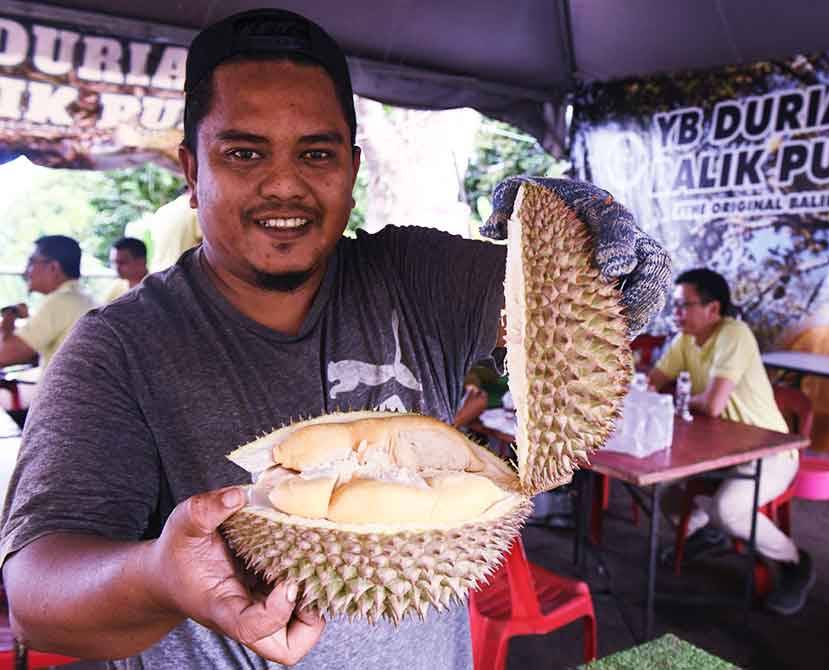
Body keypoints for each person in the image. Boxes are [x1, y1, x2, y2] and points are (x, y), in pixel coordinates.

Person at [0, 9, 671, 670]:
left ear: (351, 171)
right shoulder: (118, 348)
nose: (284, 184)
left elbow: (573, 317)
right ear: (190, 170)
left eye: (316, 153)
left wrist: (579, 243)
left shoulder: (415, 276)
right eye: (243, 152)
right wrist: (156, 575)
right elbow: (36, 593)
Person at [648, 268, 814, 615]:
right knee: (656, 480)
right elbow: (652, 383)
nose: (676, 314)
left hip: (770, 450)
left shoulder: (733, 334)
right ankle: (702, 532)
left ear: (713, 309)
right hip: (718, 449)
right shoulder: (684, 340)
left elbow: (712, 404)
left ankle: (794, 561)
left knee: (729, 509)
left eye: (684, 306)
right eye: (675, 306)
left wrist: (673, 399)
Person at [0, 235, 97, 373]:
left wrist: (11, 314)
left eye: (31, 262)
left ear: (53, 267)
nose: (26, 271)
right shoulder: (82, 297)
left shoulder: (61, 302)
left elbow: (4, 355)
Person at [103, 237, 150, 302]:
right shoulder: (115, 288)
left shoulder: (157, 289)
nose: (117, 268)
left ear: (141, 261)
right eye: (113, 262)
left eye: (122, 262)